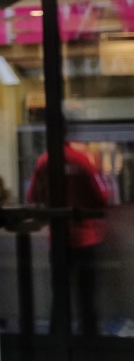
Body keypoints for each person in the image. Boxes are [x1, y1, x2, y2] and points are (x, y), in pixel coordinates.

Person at [26, 141, 110, 335]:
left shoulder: (44, 162)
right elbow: (101, 196)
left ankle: (58, 340)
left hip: (58, 240)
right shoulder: (81, 160)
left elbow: (32, 197)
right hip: (85, 239)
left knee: (59, 297)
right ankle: (89, 343)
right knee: (86, 299)